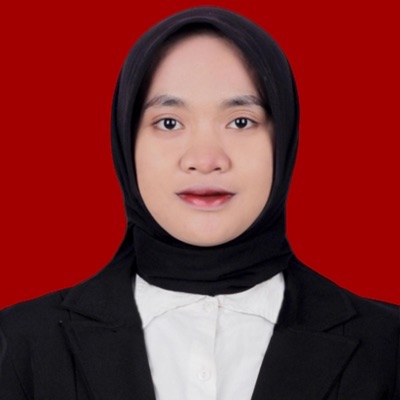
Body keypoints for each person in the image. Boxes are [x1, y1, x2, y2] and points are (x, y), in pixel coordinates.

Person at [0, 6, 398, 400]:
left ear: (284, 139)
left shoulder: (389, 347)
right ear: (126, 142)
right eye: (169, 123)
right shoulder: (21, 345)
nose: (205, 159)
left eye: (241, 121)